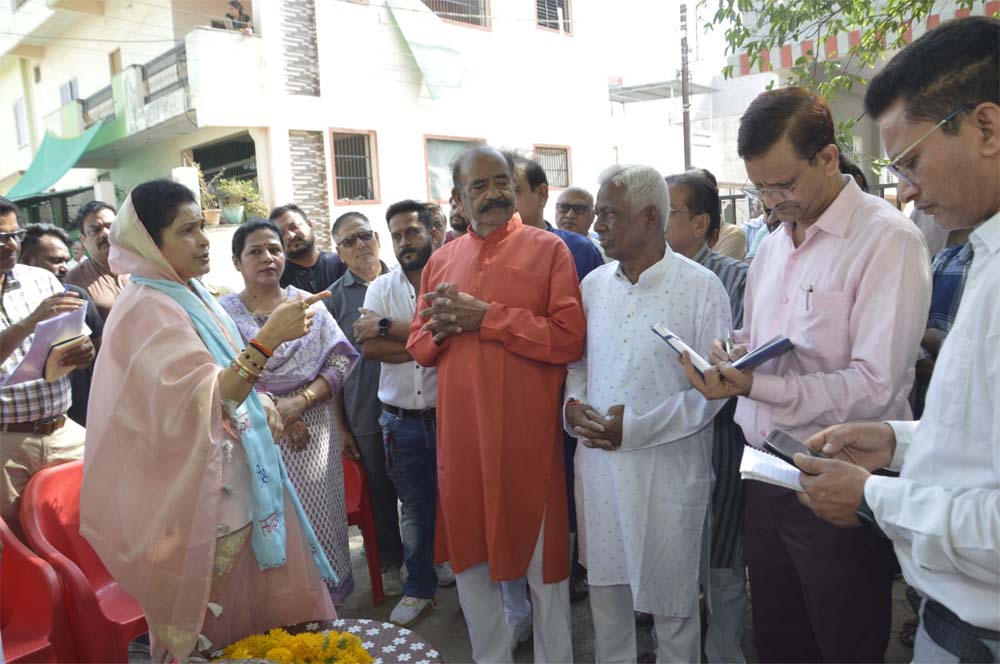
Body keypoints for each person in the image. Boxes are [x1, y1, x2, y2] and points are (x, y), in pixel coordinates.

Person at [682, 87, 932, 663]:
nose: (773, 202)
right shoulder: (772, 246)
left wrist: (756, 385)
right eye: (760, 188)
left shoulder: (887, 240)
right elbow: (760, 338)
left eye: (784, 185)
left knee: (844, 637)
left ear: (827, 157)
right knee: (779, 636)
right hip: (763, 470)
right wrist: (731, 353)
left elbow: (875, 385)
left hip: (838, 475)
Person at [792, 17, 999, 663]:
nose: (905, 190)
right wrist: (898, 442)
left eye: (911, 161)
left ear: (987, 128)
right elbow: (982, 439)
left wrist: (874, 497)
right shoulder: (985, 254)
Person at [79, 180, 337, 662]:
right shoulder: (146, 309)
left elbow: (229, 383)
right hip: (206, 506)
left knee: (273, 629)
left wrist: (261, 406)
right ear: (151, 244)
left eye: (202, 226)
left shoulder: (190, 293)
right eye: (187, 231)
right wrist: (268, 339)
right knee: (227, 635)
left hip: (243, 484)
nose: (203, 240)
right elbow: (208, 398)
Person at [407, 145, 583, 664]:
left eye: (502, 182)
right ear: (458, 200)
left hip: (528, 445)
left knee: (546, 580)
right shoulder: (441, 261)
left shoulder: (549, 250)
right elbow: (418, 345)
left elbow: (568, 337)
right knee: (471, 573)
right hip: (462, 446)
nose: (493, 194)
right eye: (479, 186)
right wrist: (443, 326)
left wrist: (487, 317)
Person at [566, 164, 729, 663]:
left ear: (650, 217)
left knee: (673, 608)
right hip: (600, 470)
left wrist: (633, 429)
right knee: (607, 599)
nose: (597, 226)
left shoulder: (702, 287)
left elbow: (714, 391)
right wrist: (573, 407)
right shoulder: (593, 285)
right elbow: (579, 363)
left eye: (610, 215)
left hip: (668, 473)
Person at [219, 218, 359, 605]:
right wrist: (272, 408)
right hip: (252, 431)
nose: (268, 257)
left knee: (320, 518)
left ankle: (327, 606)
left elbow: (341, 360)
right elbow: (223, 373)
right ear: (236, 261)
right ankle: (281, 610)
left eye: (275, 249)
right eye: (255, 251)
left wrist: (300, 403)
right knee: (267, 519)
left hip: (314, 431)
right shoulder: (222, 315)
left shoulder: (307, 304)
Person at [664, 172, 750, 663]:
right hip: (662, 442)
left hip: (723, 440)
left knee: (722, 558)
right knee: (674, 556)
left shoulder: (736, 279)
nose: (654, 219)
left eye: (667, 211)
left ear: (699, 224)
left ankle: (723, 652)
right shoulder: (644, 277)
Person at [354, 200, 444, 627]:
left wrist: (388, 327)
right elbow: (370, 348)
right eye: (396, 236)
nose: (404, 242)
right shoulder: (380, 288)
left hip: (449, 416)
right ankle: (419, 587)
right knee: (413, 507)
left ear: (431, 232)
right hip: (400, 420)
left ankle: (453, 569)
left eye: (412, 232)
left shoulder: (449, 280)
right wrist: (430, 343)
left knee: (457, 501)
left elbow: (452, 333)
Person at [0, 198, 95, 538]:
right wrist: (30, 321)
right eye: (0, 237)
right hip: (7, 444)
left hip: (63, 431)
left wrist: (83, 351)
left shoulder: (42, 280)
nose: (11, 245)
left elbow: (77, 338)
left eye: (15, 235)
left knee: (91, 528)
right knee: (18, 545)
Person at [325, 211, 404, 596]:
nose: (360, 246)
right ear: (339, 253)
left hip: (411, 404)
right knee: (380, 493)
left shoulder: (405, 282)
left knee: (421, 487)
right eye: (349, 242)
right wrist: (341, 427)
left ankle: (431, 556)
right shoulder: (334, 300)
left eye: (364, 236)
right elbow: (330, 369)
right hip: (364, 412)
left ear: (378, 238)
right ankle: (391, 561)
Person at [18, 224, 104, 427]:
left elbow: (98, 347)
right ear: (26, 261)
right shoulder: (13, 303)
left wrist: (86, 352)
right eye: (55, 261)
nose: (64, 267)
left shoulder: (77, 296)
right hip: (23, 422)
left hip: (79, 413)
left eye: (66, 260)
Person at [507, 153, 604, 282]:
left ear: (542, 194)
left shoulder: (578, 248)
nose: (501, 198)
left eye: (514, 190)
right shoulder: (487, 248)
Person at [66, 200, 130, 319]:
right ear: (83, 240)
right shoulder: (75, 280)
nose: (105, 233)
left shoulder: (141, 266)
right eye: (95, 230)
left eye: (111, 226)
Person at [270, 204, 346, 293]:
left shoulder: (341, 263)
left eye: (294, 227)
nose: (290, 236)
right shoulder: (276, 278)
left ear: (309, 224)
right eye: (281, 233)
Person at [555, 186, 606, 260]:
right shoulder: (544, 246)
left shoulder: (603, 254)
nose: (570, 215)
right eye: (563, 207)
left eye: (579, 209)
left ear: (592, 215)